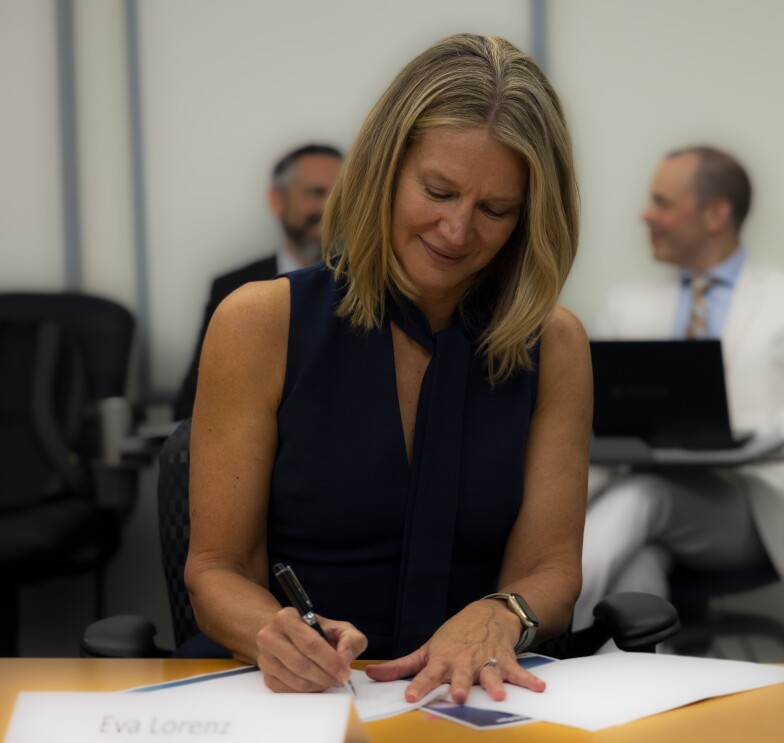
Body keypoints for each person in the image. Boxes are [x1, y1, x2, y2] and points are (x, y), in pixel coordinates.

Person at [182, 34, 589, 706]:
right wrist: (273, 630)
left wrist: (502, 611)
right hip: (296, 696)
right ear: (383, 170)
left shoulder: (556, 344)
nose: (457, 231)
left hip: (479, 693)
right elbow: (214, 571)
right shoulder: (259, 322)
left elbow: (551, 569)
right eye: (438, 190)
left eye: (495, 210)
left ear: (531, 219)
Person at [573, 146, 784, 631]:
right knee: (636, 567)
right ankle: (642, 690)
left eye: (662, 202)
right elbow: (594, 412)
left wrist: (747, 431)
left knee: (643, 496)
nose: (646, 215)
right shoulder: (627, 305)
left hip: (744, 508)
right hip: (638, 505)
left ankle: (538, 635)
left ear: (717, 214)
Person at [173, 143, 343, 421]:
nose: (329, 206)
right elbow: (191, 406)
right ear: (277, 200)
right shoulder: (232, 288)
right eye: (316, 192)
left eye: (340, 194)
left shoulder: (369, 284)